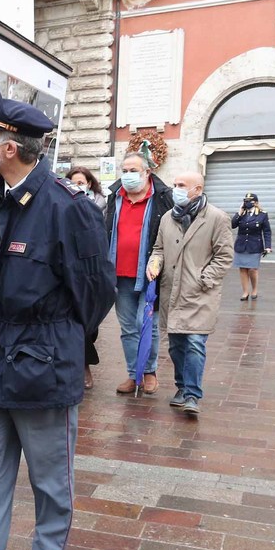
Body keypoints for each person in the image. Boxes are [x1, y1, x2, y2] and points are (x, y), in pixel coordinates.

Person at [0, 90, 115, 550]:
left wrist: (65, 344)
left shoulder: (68, 207)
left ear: (10, 147)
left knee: (49, 469)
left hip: (42, 359)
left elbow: (95, 291)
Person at [146, 171, 234, 416]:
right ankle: (181, 387)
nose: (176, 189)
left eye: (181, 185)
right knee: (176, 346)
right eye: (175, 185)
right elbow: (159, 249)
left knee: (195, 343)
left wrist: (205, 279)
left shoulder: (217, 218)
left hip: (200, 293)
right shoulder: (167, 218)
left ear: (197, 189)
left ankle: (192, 395)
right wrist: (154, 263)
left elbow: (224, 256)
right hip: (172, 292)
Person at [104, 145, 174, 395]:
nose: (127, 174)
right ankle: (134, 374)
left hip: (150, 274)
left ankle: (149, 371)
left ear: (146, 173)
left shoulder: (163, 198)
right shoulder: (115, 196)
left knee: (147, 325)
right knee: (128, 328)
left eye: (132, 170)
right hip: (119, 274)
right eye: (124, 170)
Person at [68, 166, 106, 390]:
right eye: (74, 182)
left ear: (89, 184)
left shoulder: (102, 205)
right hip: (73, 269)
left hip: (95, 271)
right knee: (74, 322)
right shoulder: (64, 206)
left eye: (81, 182)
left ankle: (84, 363)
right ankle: (81, 366)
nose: (78, 186)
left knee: (90, 325)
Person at [230, 192, 272, 301]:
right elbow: (232, 225)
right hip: (241, 245)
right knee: (243, 269)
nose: (247, 203)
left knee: (253, 269)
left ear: (256, 203)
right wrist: (239, 212)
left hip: (255, 245)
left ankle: (254, 289)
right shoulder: (241, 214)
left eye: (249, 201)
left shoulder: (262, 214)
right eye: (245, 201)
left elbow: (267, 231)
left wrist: (268, 246)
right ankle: (245, 292)